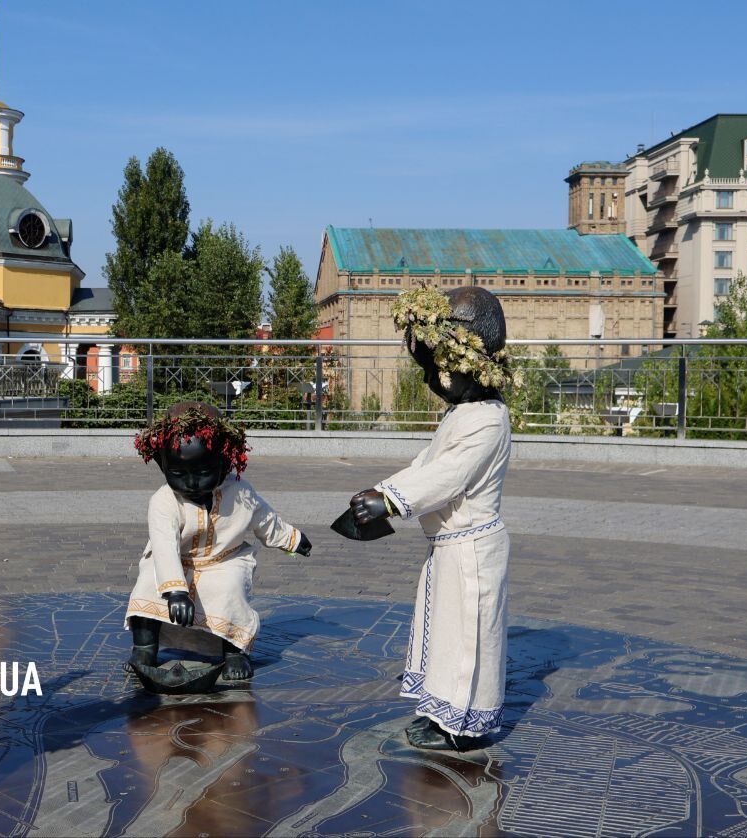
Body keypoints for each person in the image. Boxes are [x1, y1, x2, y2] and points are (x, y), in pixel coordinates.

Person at [348, 285, 513, 752]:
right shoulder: (462, 414)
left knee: (468, 641)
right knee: (442, 634)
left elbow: (449, 475)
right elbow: (425, 464)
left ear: (469, 365)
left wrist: (393, 502)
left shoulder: (487, 419)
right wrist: (382, 491)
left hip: (472, 550)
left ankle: (464, 726)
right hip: (449, 547)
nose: (433, 382)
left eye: (439, 369)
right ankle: (439, 709)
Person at [126, 401, 312, 683]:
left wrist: (292, 539)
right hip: (174, 564)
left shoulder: (240, 491)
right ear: (162, 464)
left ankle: (234, 651)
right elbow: (163, 547)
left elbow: (264, 520)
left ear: (225, 460)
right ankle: (144, 647)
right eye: (178, 473)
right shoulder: (164, 500)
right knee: (146, 586)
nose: (191, 483)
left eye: (203, 473)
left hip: (224, 560)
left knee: (228, 590)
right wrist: (175, 591)